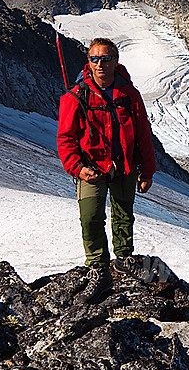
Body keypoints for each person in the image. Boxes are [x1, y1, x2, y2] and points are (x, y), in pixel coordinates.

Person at [57, 38, 156, 304]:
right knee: (90, 217)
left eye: (105, 58)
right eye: (94, 58)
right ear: (88, 62)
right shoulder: (77, 95)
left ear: (116, 61)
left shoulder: (129, 95)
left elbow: (143, 134)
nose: (100, 63)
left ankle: (123, 259)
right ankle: (98, 268)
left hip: (123, 166)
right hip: (91, 167)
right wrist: (76, 168)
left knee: (123, 215)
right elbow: (66, 137)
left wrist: (147, 171)